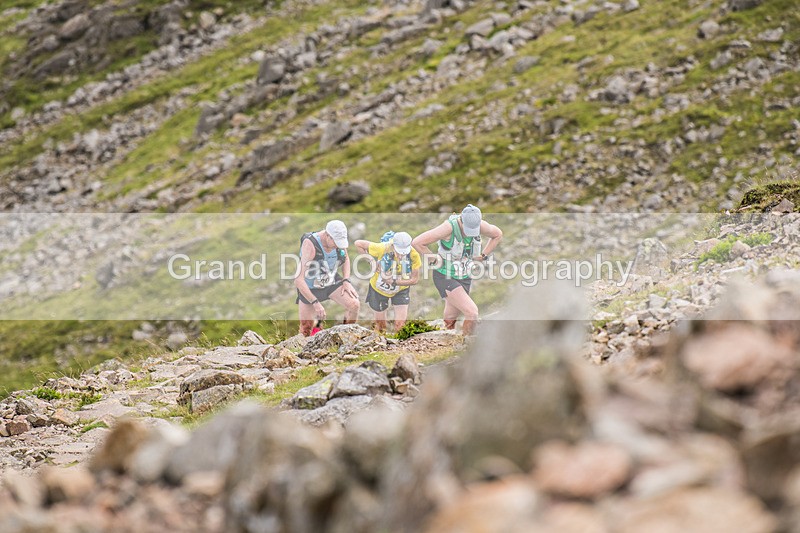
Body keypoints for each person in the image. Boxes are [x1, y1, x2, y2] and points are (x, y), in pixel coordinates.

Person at [412, 205, 502, 335]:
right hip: (444, 275)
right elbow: (417, 242)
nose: (469, 232)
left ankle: (445, 339)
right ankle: (466, 344)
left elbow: (497, 234)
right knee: (472, 313)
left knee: (451, 318)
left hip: (465, 275)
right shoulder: (448, 228)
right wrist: (433, 259)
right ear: (462, 220)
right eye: (468, 229)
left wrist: (483, 255)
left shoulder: (481, 225)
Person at [294, 220, 360, 336]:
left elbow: (346, 259)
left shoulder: (338, 243)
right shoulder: (310, 245)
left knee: (354, 305)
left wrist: (346, 280)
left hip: (331, 282)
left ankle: (347, 338)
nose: (337, 246)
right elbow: (298, 280)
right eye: (336, 242)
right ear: (327, 235)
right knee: (306, 328)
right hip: (310, 287)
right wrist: (315, 302)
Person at [354, 231, 421, 333]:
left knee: (400, 325)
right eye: (398, 251)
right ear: (393, 245)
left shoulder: (414, 255)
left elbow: (414, 280)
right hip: (378, 290)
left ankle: (399, 347)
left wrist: (394, 282)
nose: (400, 255)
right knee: (381, 326)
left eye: (404, 252)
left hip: (401, 290)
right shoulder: (382, 248)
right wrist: (372, 263)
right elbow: (358, 243)